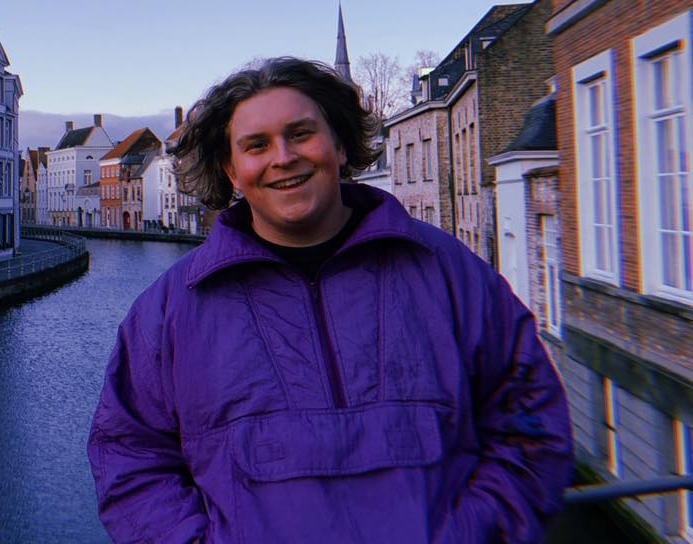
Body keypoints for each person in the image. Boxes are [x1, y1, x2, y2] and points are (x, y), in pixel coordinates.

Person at [87, 57, 573, 544]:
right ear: (231, 172)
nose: (283, 157)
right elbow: (131, 458)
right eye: (257, 145)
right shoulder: (169, 313)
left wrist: (473, 534)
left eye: (300, 134)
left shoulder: (450, 275)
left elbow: (529, 424)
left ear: (340, 146)